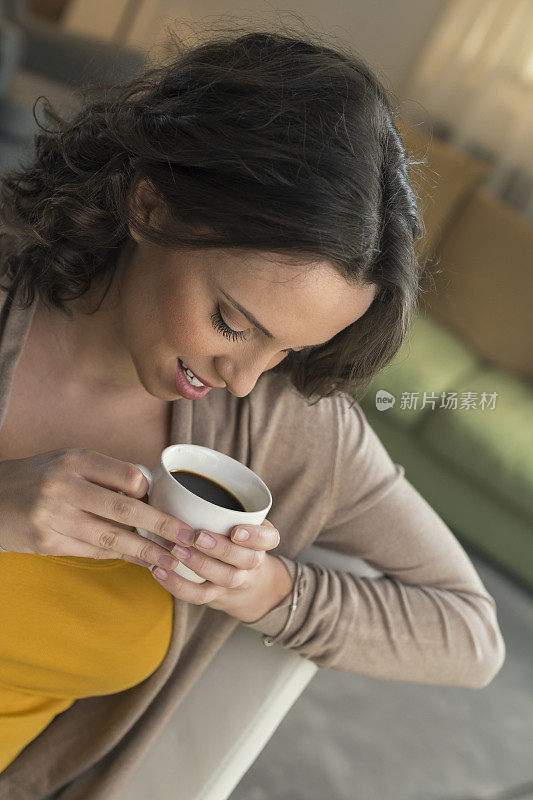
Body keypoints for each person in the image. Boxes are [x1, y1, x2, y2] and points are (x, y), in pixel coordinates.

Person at [0, 24, 505, 798]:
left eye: (287, 352)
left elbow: (469, 634)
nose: (242, 381)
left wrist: (262, 590)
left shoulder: (281, 428)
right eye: (233, 322)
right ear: (150, 205)